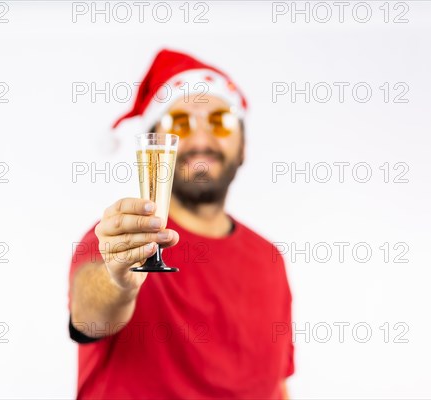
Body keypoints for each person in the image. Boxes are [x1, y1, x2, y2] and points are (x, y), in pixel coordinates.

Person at [68, 49, 294, 399]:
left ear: (244, 147)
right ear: (158, 145)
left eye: (220, 121)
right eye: (181, 123)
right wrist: (118, 280)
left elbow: (276, 386)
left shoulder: (269, 258)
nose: (202, 140)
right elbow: (89, 317)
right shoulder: (121, 239)